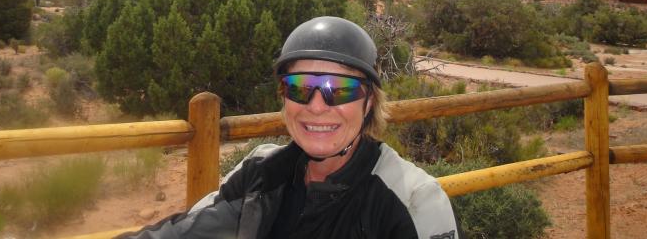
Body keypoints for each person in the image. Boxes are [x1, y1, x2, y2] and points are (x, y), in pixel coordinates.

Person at [117, 16, 461, 239]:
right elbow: (188, 231)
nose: (315, 105)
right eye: (298, 86)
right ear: (284, 96)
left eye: (338, 90)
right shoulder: (262, 172)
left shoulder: (412, 200)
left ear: (368, 102)